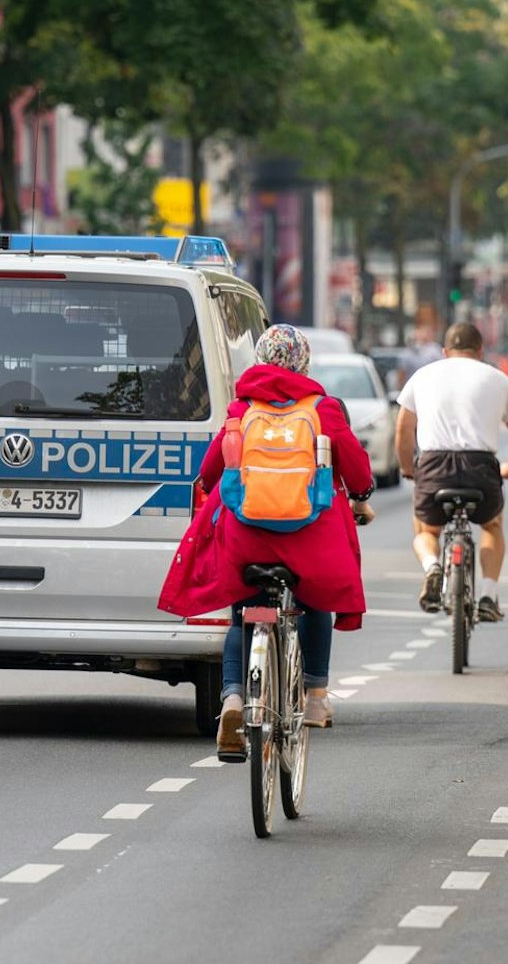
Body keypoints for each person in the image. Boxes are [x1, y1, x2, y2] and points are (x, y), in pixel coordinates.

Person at [158, 324, 376, 756]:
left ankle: (235, 698)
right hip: (306, 535)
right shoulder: (322, 409)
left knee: (243, 611)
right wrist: (363, 493)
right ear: (303, 362)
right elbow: (355, 467)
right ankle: (315, 696)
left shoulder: (243, 409)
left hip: (249, 534)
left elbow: (210, 468)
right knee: (314, 596)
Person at [397, 322, 508, 624]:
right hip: (480, 467)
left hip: (433, 465)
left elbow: (404, 428)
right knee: (492, 526)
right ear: (480, 351)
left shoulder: (423, 376)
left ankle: (432, 567)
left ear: (445, 352)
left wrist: (408, 469)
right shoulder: (498, 379)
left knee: (426, 531)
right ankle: (487, 595)